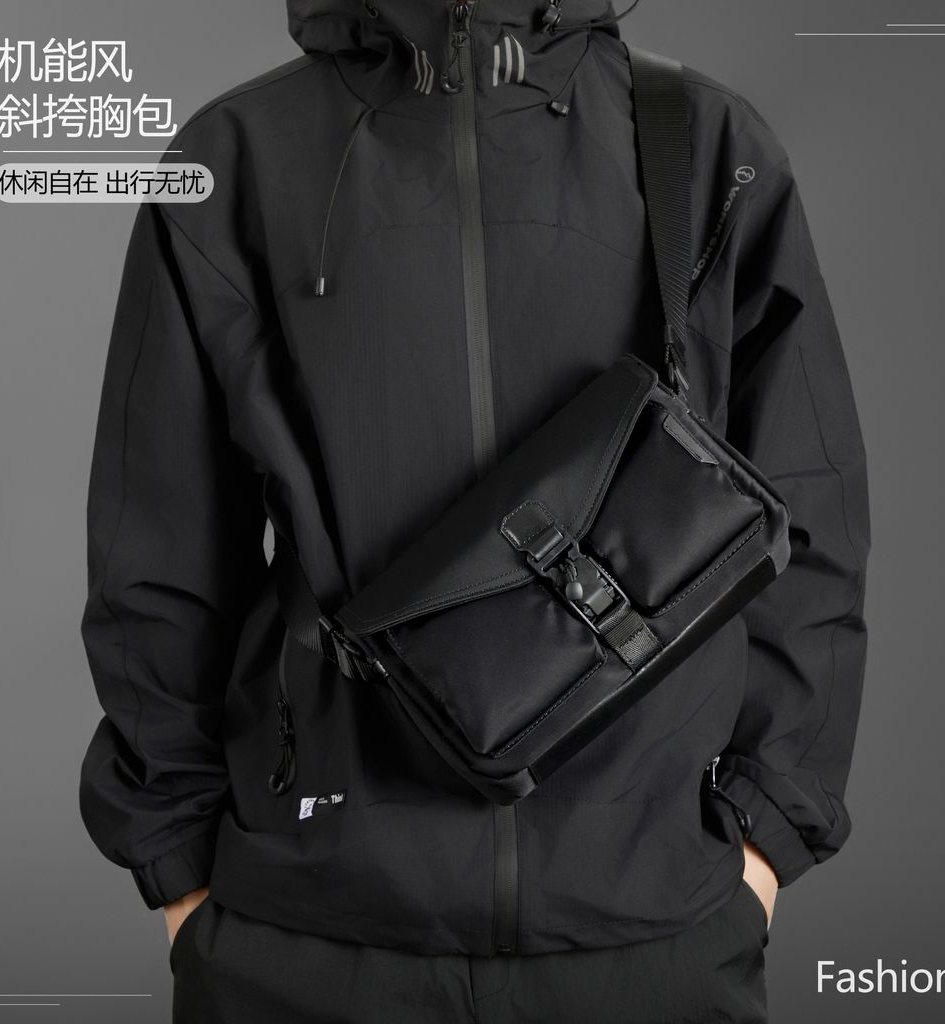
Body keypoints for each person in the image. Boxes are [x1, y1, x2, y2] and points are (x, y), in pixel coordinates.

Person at [78, 1, 870, 1021]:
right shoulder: (235, 159)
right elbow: (159, 551)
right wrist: (179, 871)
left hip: (654, 935)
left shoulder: (704, 142)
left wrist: (763, 837)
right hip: (305, 940)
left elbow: (806, 512)